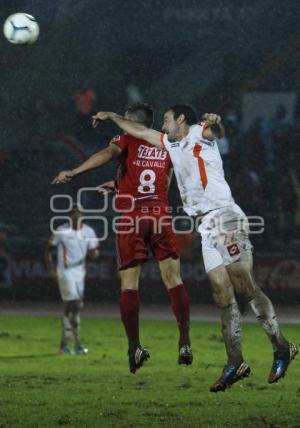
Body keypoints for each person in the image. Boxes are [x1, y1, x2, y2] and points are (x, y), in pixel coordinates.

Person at [92, 106, 298, 391]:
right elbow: (140, 131)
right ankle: (235, 362)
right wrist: (113, 118)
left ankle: (281, 347)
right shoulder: (170, 143)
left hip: (224, 215)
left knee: (244, 285)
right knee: (221, 293)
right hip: (204, 225)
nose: (162, 127)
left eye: (166, 120)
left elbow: (217, 131)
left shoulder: (200, 132)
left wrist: (216, 123)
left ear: (181, 120)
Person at [52, 104, 192, 373]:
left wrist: (74, 171)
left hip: (132, 217)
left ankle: (135, 347)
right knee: (174, 280)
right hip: (160, 214)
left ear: (131, 122)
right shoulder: (166, 144)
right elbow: (164, 180)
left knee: (129, 285)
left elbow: (106, 154)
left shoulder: (126, 139)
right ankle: (184, 340)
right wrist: (119, 184)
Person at [45, 205, 99, 355]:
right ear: (69, 216)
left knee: (74, 308)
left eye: (79, 213)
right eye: (73, 213)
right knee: (73, 303)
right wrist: (51, 270)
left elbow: (94, 252)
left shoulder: (89, 231)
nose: (76, 215)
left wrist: (94, 253)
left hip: (80, 271)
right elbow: (48, 250)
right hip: (65, 271)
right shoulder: (61, 231)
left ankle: (69, 345)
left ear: (82, 215)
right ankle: (72, 344)